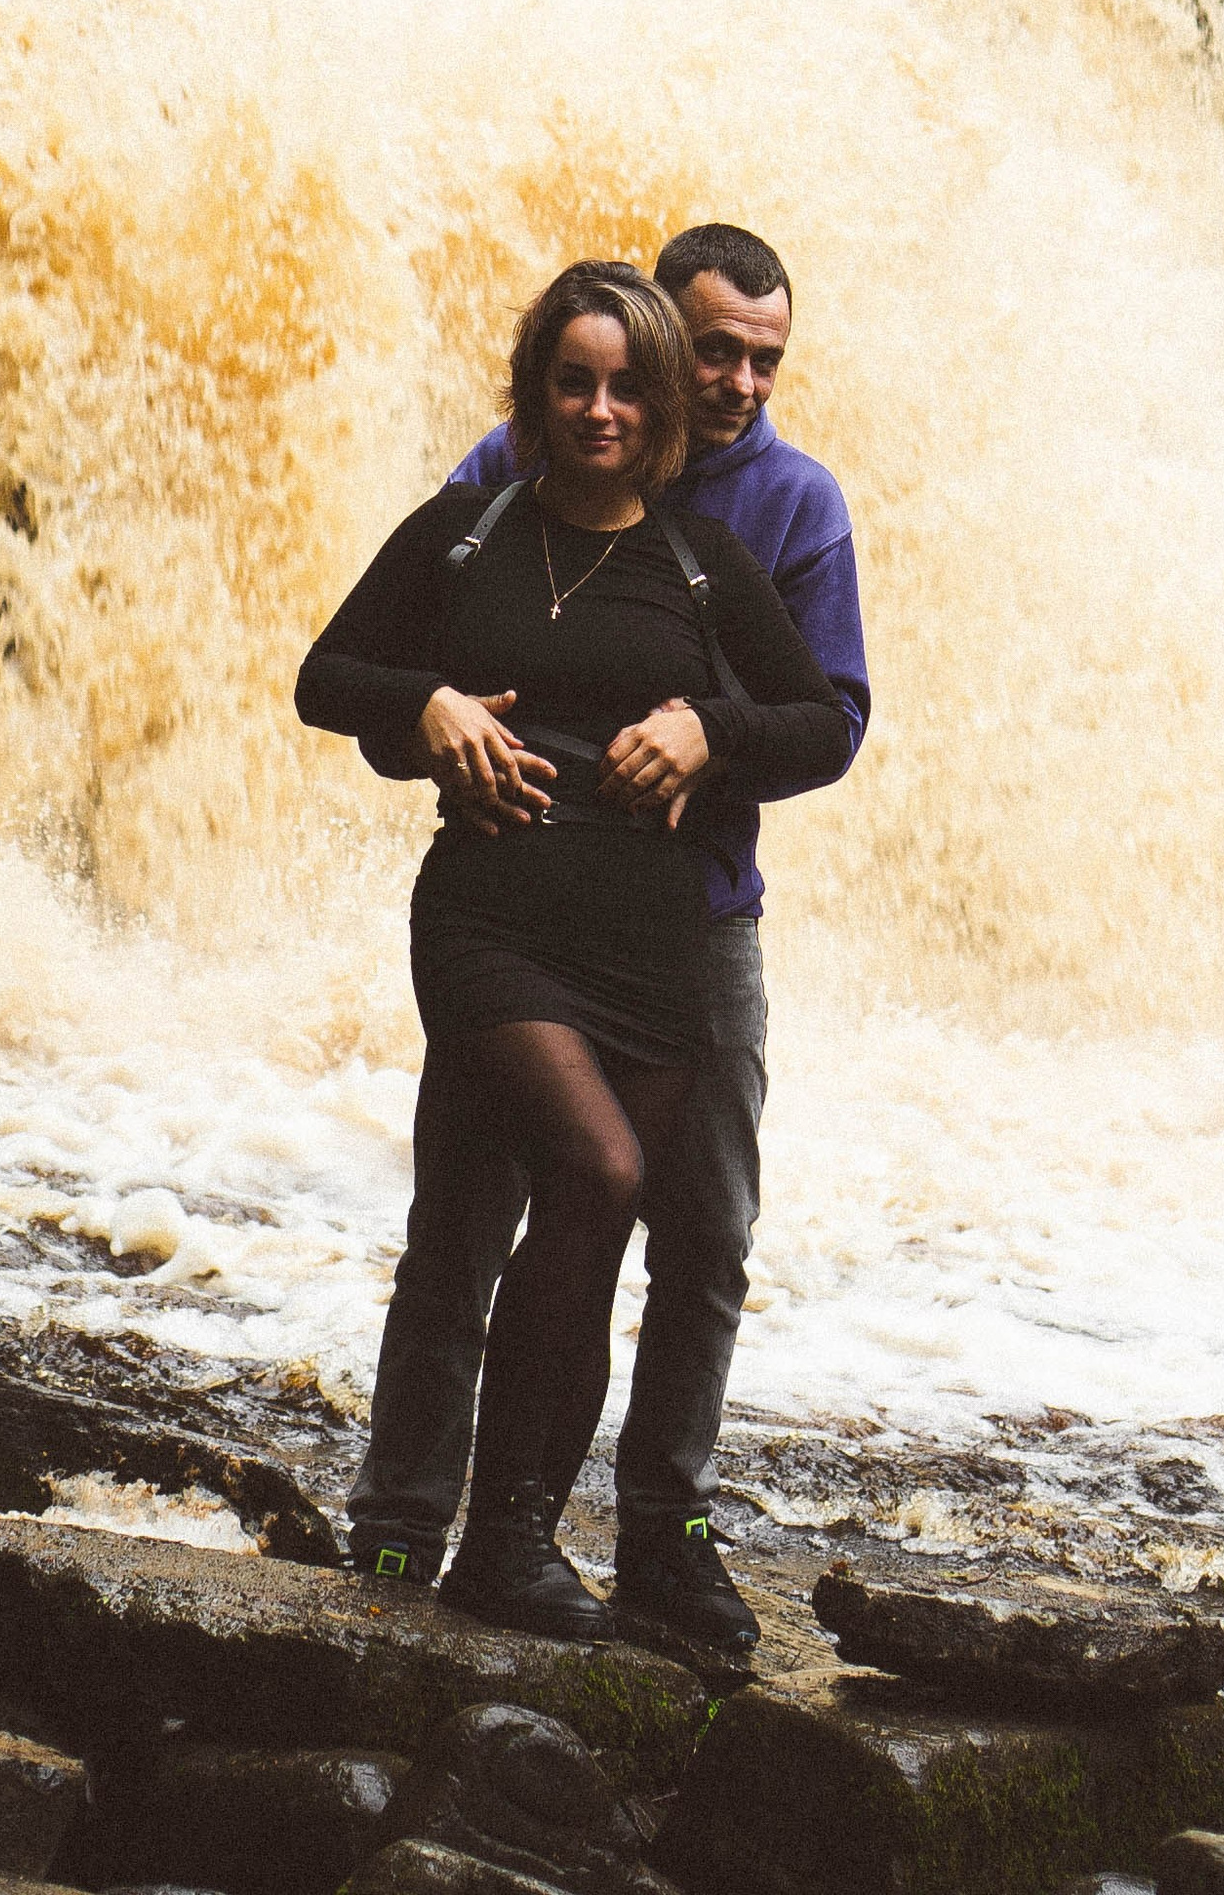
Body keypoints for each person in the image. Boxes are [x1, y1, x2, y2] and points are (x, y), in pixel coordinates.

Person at [294, 258, 848, 1644]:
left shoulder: (741, 537)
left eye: (755, 360)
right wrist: (422, 711)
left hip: (675, 937)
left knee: (659, 1236)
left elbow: (824, 721)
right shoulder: (481, 511)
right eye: (577, 381)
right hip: (499, 925)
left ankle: (610, 1543)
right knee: (513, 1203)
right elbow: (341, 685)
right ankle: (409, 1528)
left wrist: (714, 734)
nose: (609, 407)